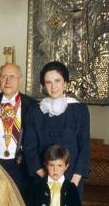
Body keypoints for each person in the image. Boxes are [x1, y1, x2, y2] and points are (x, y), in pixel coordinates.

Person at [24, 61, 90, 197]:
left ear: (65, 82)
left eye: (57, 81)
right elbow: (29, 148)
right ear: (43, 85)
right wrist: (45, 179)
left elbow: (85, 147)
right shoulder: (34, 111)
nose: (53, 86)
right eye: (48, 82)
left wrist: (73, 182)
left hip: (72, 179)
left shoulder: (80, 110)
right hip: (42, 178)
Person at [0, 63, 36, 203]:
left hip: (21, 166)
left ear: (20, 80)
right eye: (4, 76)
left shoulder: (32, 105)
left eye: (12, 76)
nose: (7, 81)